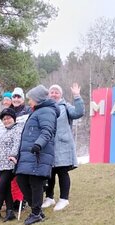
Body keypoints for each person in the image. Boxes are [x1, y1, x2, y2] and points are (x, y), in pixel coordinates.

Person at [15, 85, 59, 225]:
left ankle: (36, 213)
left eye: (31, 99)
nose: (29, 102)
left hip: (38, 153)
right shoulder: (38, 111)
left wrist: (38, 144)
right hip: (29, 154)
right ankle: (37, 211)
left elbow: (47, 131)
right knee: (21, 179)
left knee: (35, 184)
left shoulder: (47, 111)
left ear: (38, 99)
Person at [42, 83, 85, 211]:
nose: (54, 94)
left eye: (56, 92)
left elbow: (78, 112)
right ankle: (49, 198)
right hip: (48, 145)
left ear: (60, 95)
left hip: (62, 145)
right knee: (49, 172)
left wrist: (77, 96)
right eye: (52, 92)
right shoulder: (45, 108)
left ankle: (64, 199)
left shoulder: (65, 106)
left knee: (62, 172)